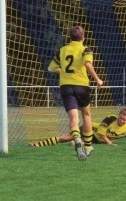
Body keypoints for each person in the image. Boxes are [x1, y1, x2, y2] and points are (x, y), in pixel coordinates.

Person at [48, 25, 103, 161]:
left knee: (73, 118)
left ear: (70, 37)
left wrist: (63, 73)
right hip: (81, 86)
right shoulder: (85, 49)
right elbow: (88, 64)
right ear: (83, 37)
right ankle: (88, 146)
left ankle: (77, 139)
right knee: (86, 114)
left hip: (66, 86)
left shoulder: (62, 50)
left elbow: (51, 68)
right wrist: (98, 79)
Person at [29, 108, 126, 148]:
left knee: (75, 141)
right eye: (120, 117)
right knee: (66, 137)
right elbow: (102, 134)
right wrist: (110, 144)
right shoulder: (111, 118)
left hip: (96, 140)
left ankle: (77, 142)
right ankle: (36, 145)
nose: (121, 120)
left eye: (124, 119)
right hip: (90, 129)